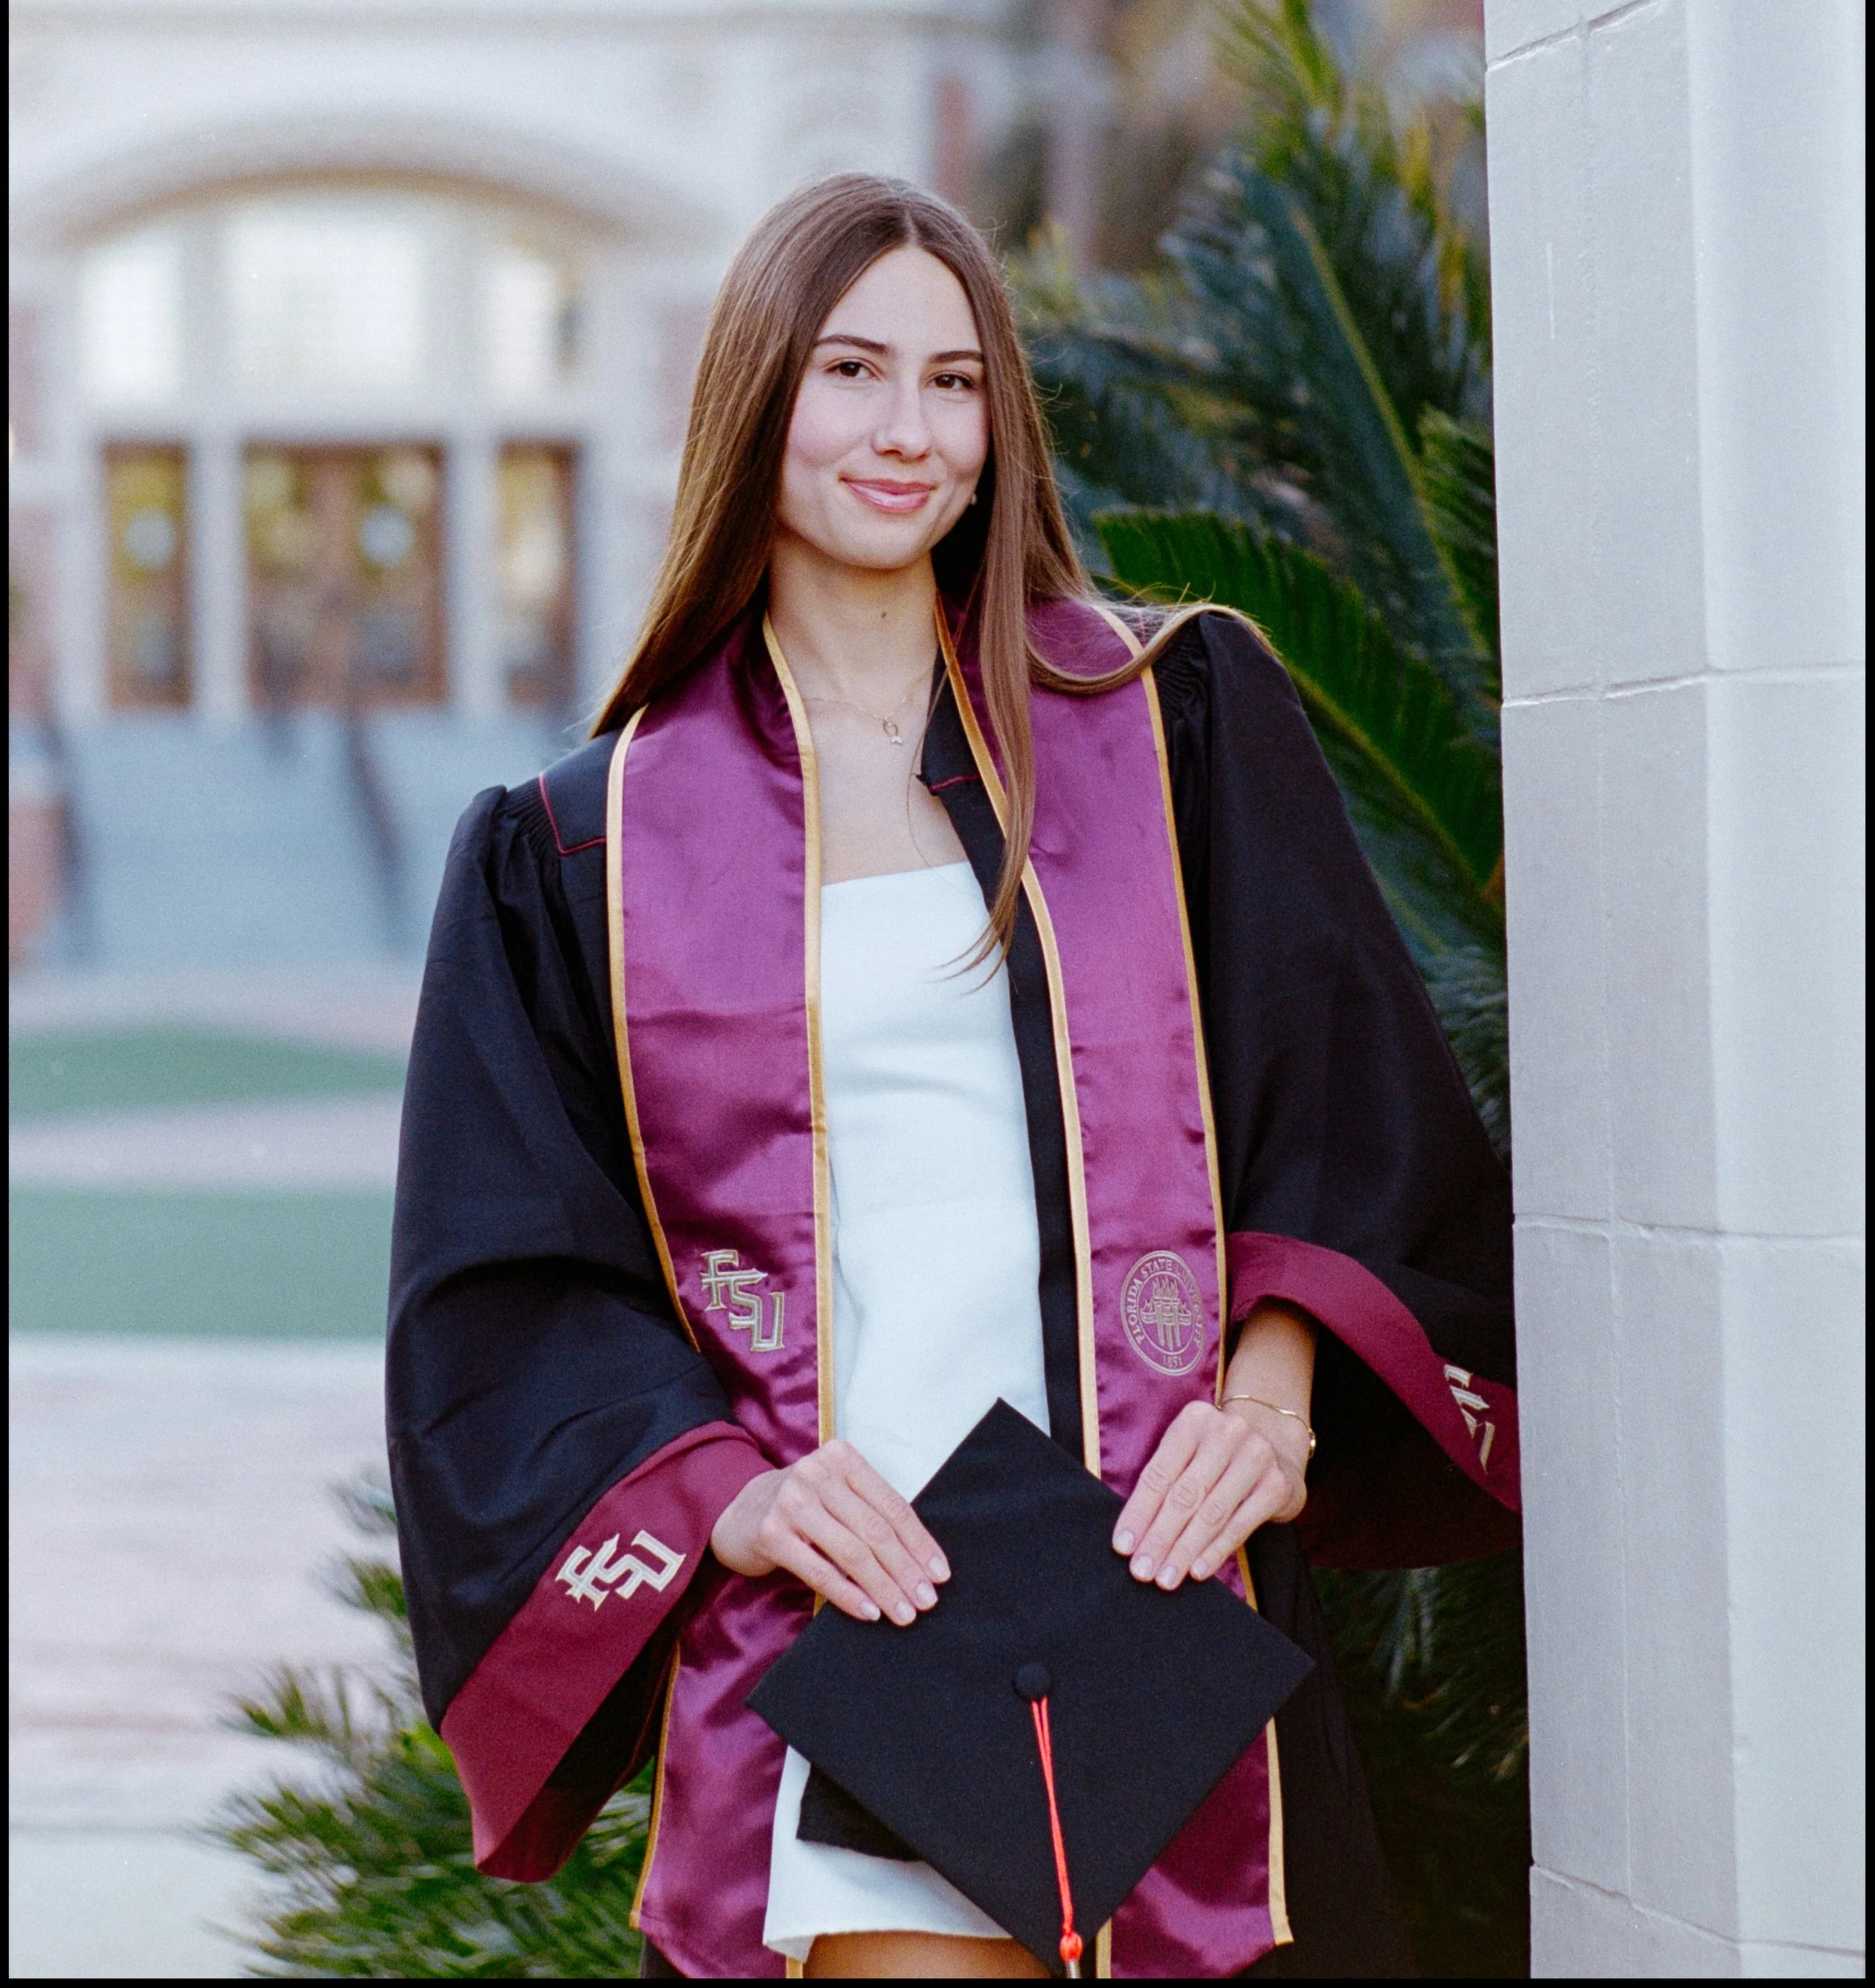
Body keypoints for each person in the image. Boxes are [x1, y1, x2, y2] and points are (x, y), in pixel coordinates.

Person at [388, 175, 1519, 1981]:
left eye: (953, 378)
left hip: (1149, 1573)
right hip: (850, 1621)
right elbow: (507, 1282)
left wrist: (1273, 1406)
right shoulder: (580, 851)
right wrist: (726, 1495)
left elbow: (1342, 1110)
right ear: (757, 395)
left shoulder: (1169, 721)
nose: (905, 429)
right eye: (849, 370)